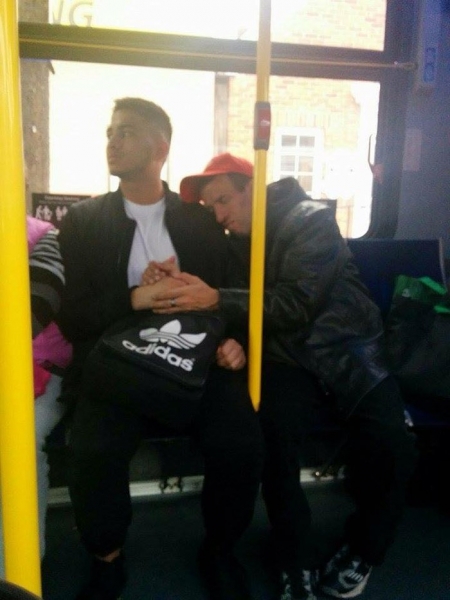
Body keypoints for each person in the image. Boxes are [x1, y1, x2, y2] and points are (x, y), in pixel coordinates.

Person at [144, 153, 418, 600]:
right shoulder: (235, 242)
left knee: (393, 444)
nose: (219, 216)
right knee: (272, 438)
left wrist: (218, 301)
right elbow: (235, 303)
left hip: (346, 347)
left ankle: (365, 548)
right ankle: (294, 557)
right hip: (284, 355)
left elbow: (295, 304)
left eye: (224, 200)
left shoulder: (310, 220)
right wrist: (231, 335)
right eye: (211, 208)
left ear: (253, 187)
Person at [57, 100, 263, 600]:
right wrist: (137, 298)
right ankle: (106, 557)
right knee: (92, 448)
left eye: (126, 132)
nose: (112, 141)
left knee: (240, 441)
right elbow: (74, 317)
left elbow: (227, 296)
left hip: (196, 353)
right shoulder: (83, 222)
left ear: (161, 148)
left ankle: (219, 550)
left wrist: (234, 341)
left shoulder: (199, 223)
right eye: (110, 131)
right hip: (118, 357)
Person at [0, 216, 72, 576]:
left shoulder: (43, 237)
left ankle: (16, 569)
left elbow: (37, 306)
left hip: (39, 367)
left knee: (17, 444)